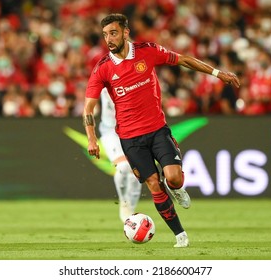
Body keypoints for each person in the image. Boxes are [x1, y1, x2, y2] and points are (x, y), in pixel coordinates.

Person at [83, 13, 240, 247]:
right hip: (130, 138)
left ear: (126, 32)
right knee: (154, 184)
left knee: (174, 179)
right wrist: (92, 140)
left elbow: (184, 60)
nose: (109, 39)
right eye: (105, 35)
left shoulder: (148, 51)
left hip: (157, 130)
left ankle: (176, 189)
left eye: (113, 33)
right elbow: (88, 107)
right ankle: (180, 235)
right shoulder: (103, 68)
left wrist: (218, 74)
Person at [99, 87, 142, 222]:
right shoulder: (104, 78)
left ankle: (131, 211)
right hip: (111, 132)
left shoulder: (135, 79)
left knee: (138, 171)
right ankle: (124, 203)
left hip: (134, 130)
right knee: (123, 166)